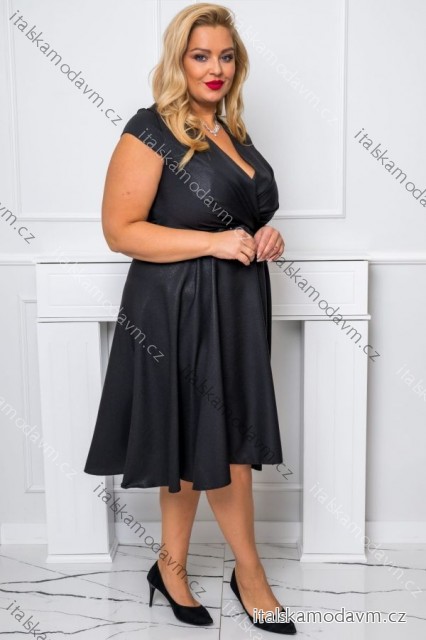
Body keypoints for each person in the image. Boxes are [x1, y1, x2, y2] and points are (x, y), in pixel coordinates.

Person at [84, 2, 296, 635]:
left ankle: (170, 565)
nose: (215, 68)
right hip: (175, 305)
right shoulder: (150, 128)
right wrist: (214, 242)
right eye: (201, 55)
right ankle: (250, 575)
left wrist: (265, 235)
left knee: (199, 438)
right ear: (179, 60)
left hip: (234, 304)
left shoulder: (233, 132)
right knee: (220, 441)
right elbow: (120, 231)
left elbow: (240, 217)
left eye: (226, 56)